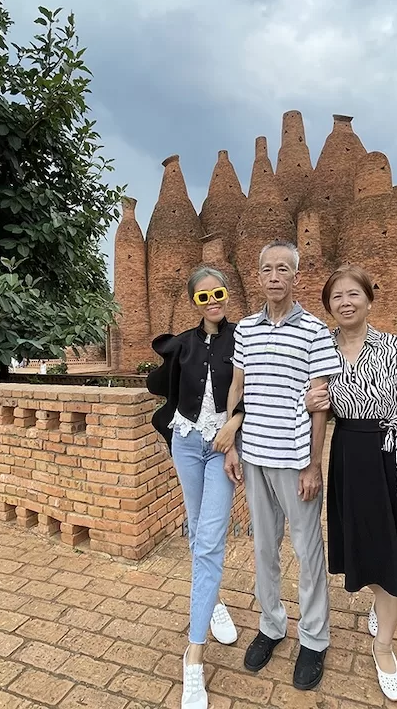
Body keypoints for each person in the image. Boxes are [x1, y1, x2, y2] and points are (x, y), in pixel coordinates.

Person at [306, 264, 397, 702]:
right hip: (350, 455)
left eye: (353, 294)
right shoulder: (323, 351)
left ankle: (384, 646)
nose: (345, 302)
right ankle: (379, 599)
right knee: (365, 547)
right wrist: (311, 401)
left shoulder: (394, 347)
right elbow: (316, 412)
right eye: (337, 297)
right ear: (329, 307)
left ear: (369, 299)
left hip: (395, 454)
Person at [225, 241, 342, 691]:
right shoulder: (247, 330)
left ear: (296, 276)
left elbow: (320, 406)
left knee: (308, 551)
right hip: (253, 455)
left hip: (294, 462)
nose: (274, 276)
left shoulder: (313, 330)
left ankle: (314, 637)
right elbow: (238, 387)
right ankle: (272, 625)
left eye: (283, 269)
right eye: (267, 269)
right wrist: (232, 445)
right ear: (258, 275)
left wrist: (313, 464)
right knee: (263, 549)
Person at [147, 266, 244, 709]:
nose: (213, 302)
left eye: (218, 293)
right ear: (194, 302)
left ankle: (194, 656)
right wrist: (165, 362)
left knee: (209, 542)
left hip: (222, 447)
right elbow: (159, 390)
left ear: (227, 295)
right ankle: (215, 600)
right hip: (186, 445)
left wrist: (234, 431)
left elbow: (250, 394)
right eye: (203, 297)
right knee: (198, 534)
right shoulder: (182, 344)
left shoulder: (241, 339)